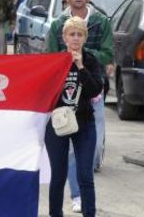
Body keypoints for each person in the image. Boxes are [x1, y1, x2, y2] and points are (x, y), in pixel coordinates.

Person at [46, 0, 113, 206]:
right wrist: (64, 60)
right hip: (61, 112)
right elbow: (48, 63)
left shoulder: (101, 23)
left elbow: (106, 58)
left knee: (91, 160)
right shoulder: (57, 24)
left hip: (88, 106)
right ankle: (69, 202)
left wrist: (83, 61)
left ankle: (82, 200)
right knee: (61, 168)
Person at [45, 17, 104, 217]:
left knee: (85, 176)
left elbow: (95, 90)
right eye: (72, 34)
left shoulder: (90, 61)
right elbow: (43, 89)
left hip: (84, 122)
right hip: (58, 123)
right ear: (65, 37)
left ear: (85, 38)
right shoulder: (56, 60)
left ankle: (89, 213)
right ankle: (55, 213)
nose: (76, 38)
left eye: (80, 35)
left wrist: (80, 67)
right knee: (58, 175)